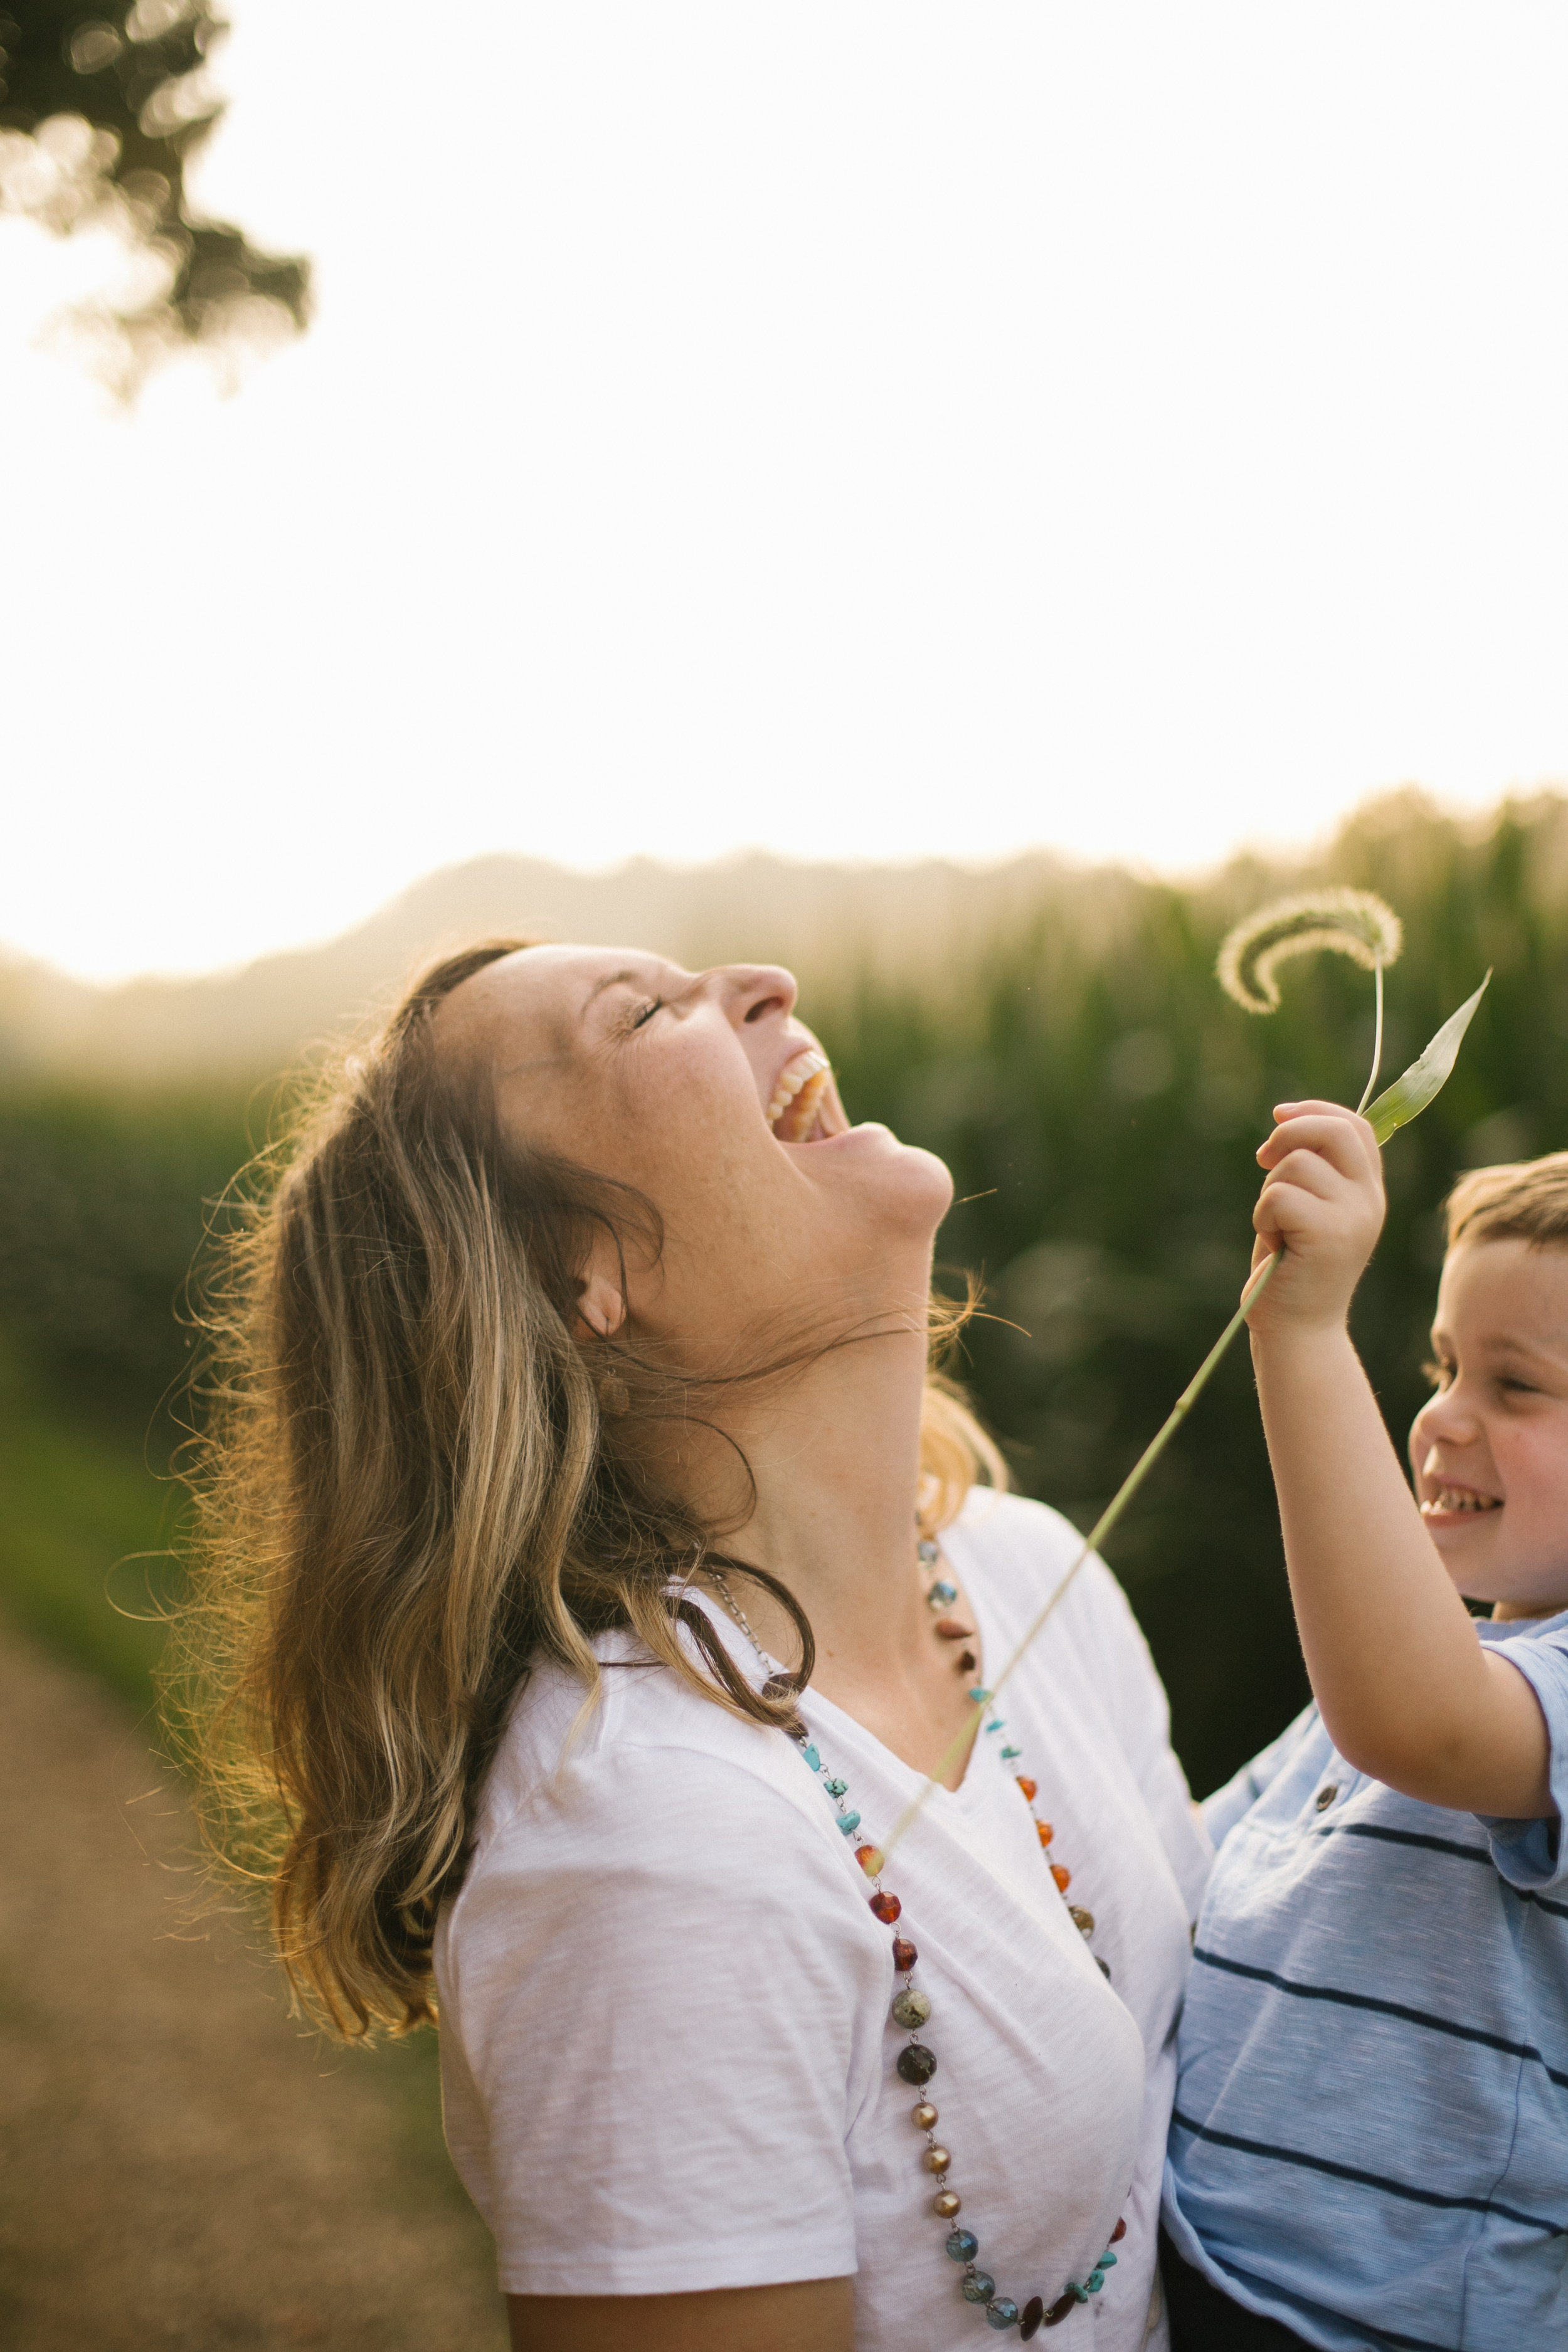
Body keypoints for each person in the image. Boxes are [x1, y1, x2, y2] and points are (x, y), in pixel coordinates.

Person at [180, 940, 1210, 2352]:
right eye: (651, 1012)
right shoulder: (648, 1837)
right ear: (585, 1270)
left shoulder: (1021, 1567)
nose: (768, 979)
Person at [1161, 1115, 1568, 2352]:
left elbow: (1421, 1725)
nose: (1443, 1417)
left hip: (1369, 2326)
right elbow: (1169, 1872)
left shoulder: (1436, 1706)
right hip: (1184, 2269)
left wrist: (1295, 1331)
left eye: (1514, 1384)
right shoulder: (1370, 1702)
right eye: (1443, 1366)